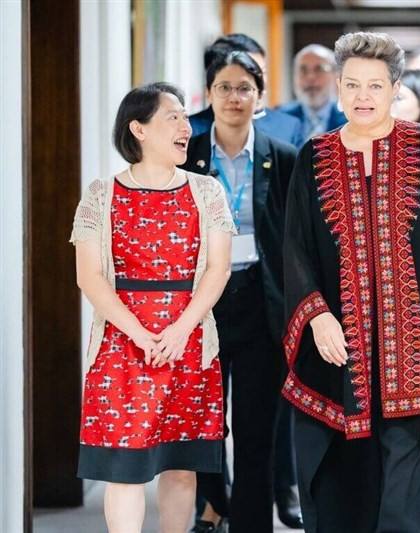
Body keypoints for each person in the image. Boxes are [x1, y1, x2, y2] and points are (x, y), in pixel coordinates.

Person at [282, 31, 420, 533]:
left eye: (374, 85)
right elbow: (296, 247)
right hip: (340, 353)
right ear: (337, 86)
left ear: (395, 87)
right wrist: (317, 315)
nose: (362, 97)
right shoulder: (313, 157)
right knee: (344, 484)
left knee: (411, 486)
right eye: (352, 85)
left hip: (415, 353)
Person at [71, 82, 234, 533]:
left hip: (191, 341)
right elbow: (90, 277)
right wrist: (140, 334)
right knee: (124, 468)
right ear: (138, 129)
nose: (186, 126)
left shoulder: (208, 192)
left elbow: (217, 270)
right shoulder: (101, 195)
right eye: (173, 117)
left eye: (185, 118)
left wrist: (180, 330)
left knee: (181, 465)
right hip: (122, 348)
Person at [180, 51, 297, 533]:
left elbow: (293, 238)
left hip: (260, 302)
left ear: (259, 97)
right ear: (209, 95)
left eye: (244, 88)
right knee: (206, 424)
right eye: (224, 87)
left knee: (255, 431)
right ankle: (212, 509)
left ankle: (252, 523)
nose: (234, 97)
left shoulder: (284, 158)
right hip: (200, 305)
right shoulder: (188, 155)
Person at [190, 33, 304, 148]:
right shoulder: (188, 130)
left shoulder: (287, 127)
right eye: (250, 72)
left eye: (262, 72)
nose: (261, 82)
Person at [278, 44, 348, 141]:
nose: (310, 77)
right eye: (303, 70)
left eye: (319, 69)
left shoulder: (350, 120)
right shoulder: (279, 119)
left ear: (336, 76)